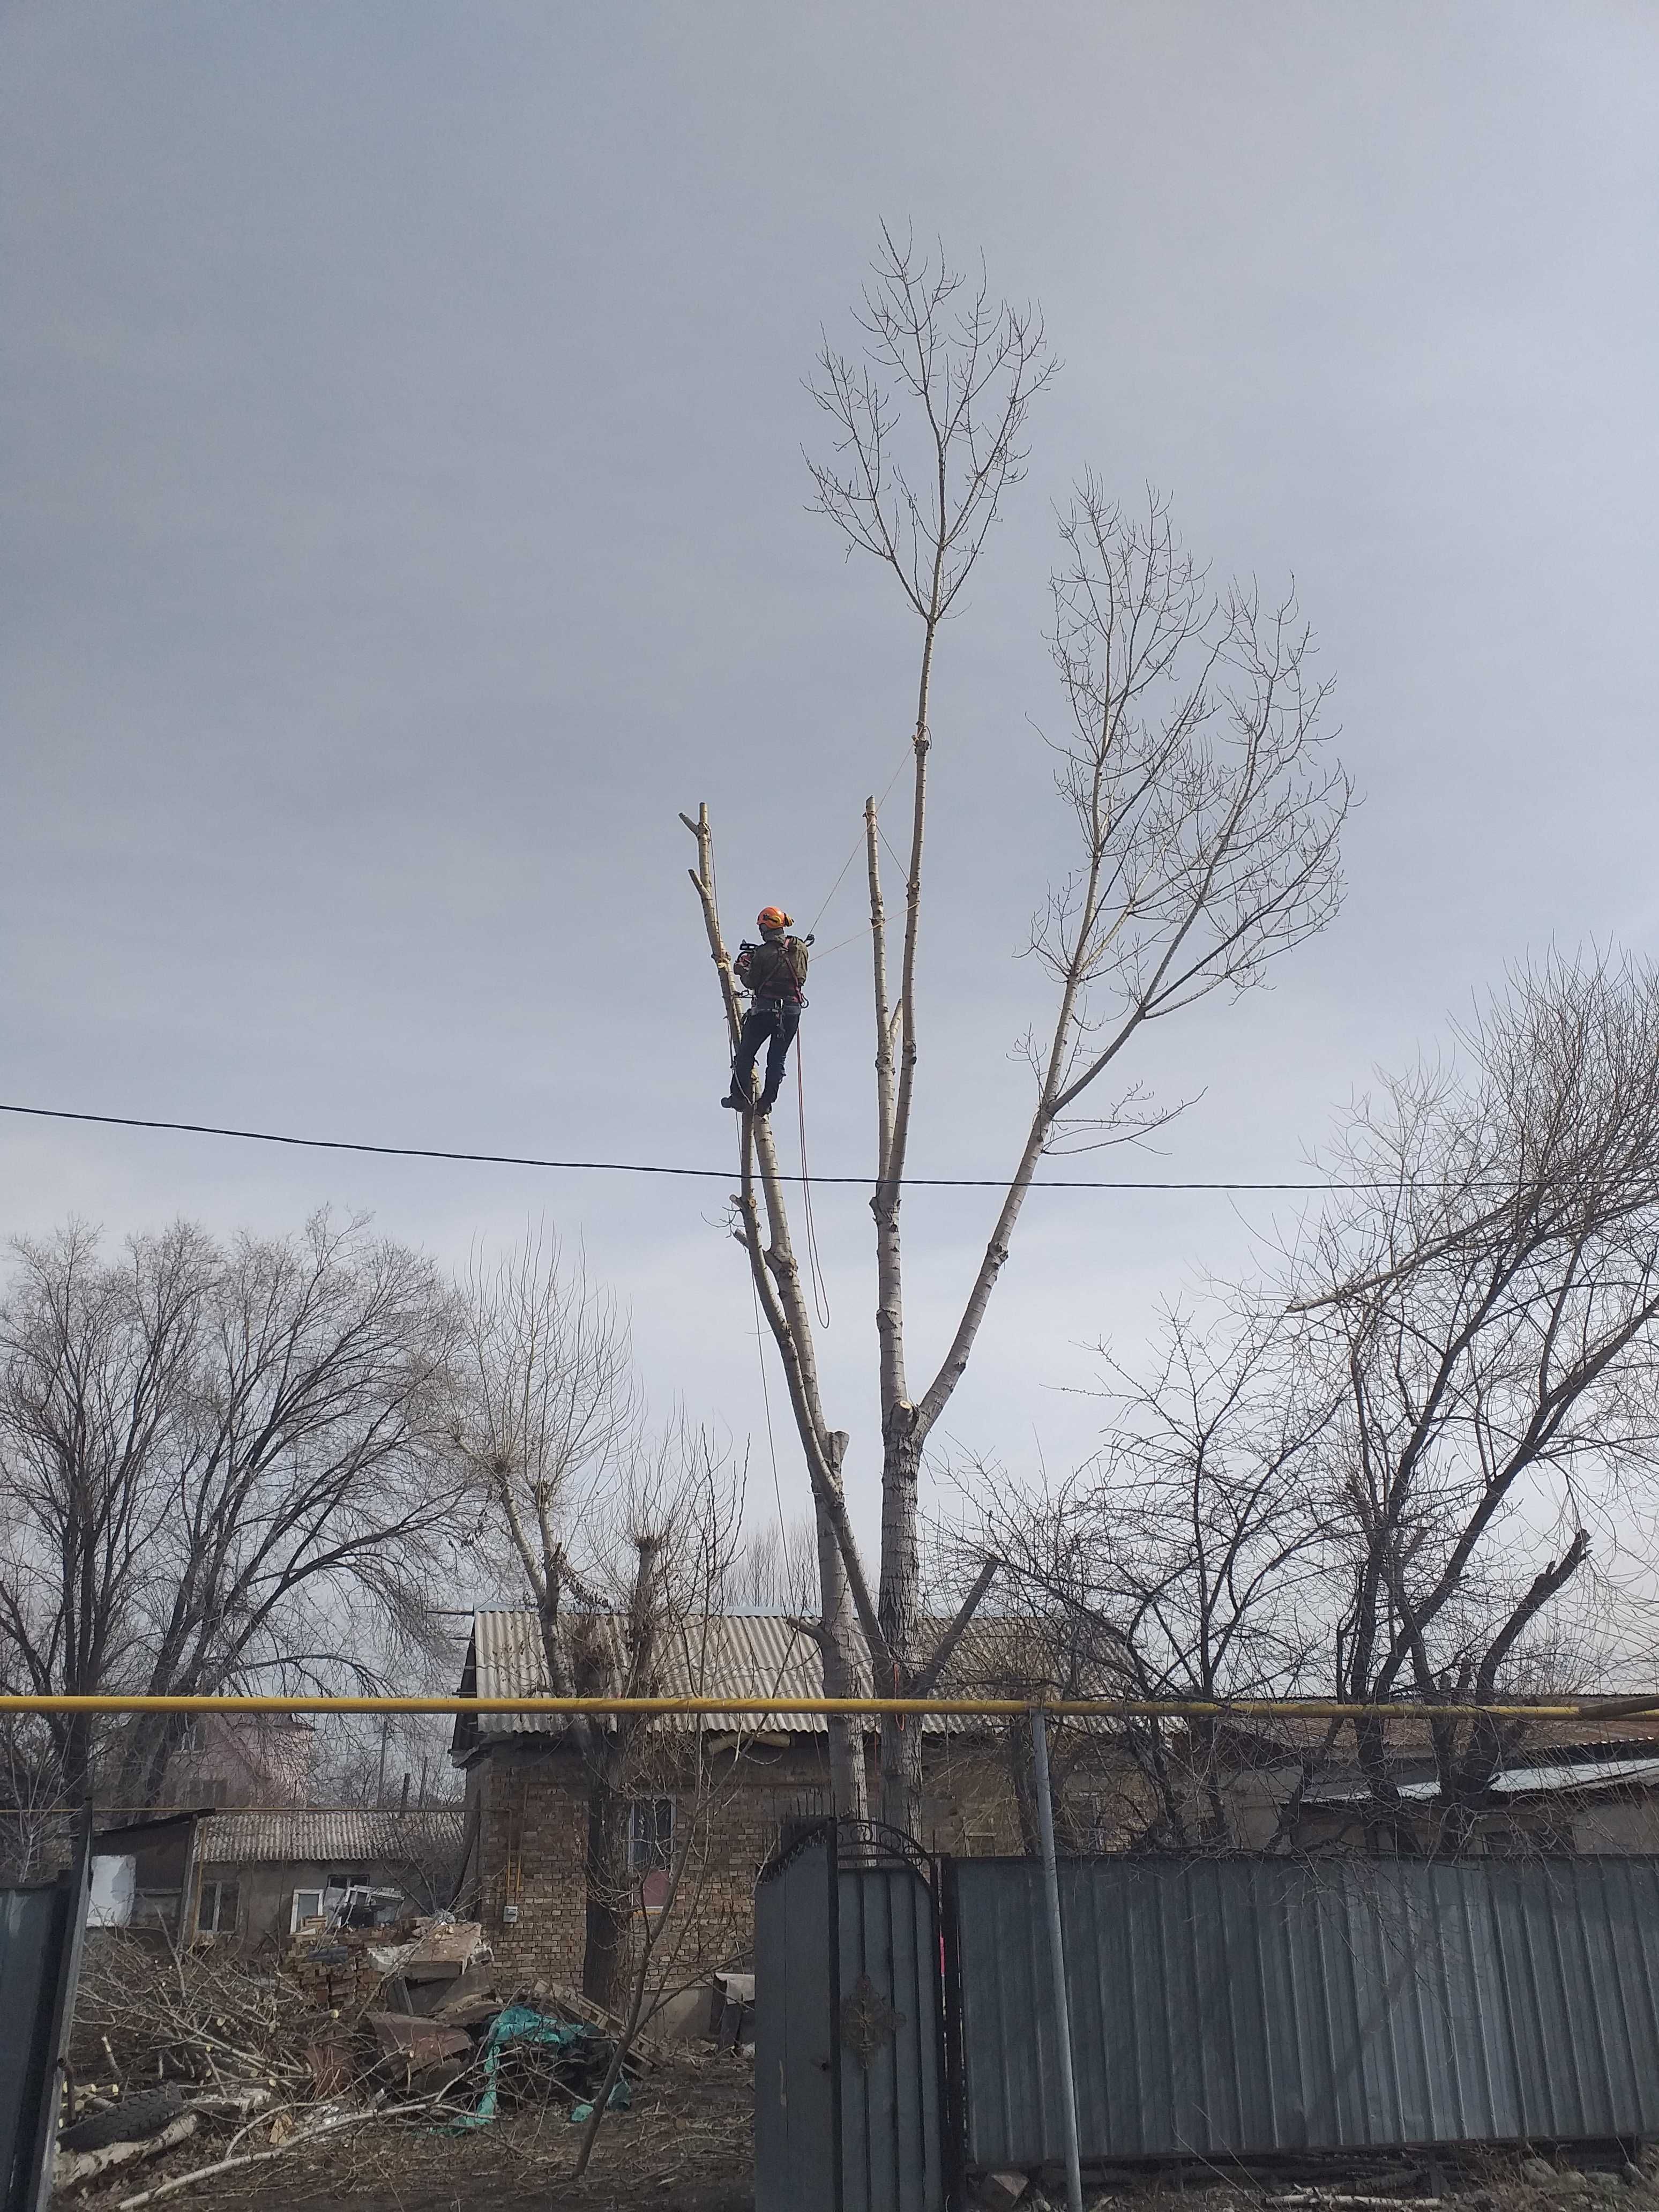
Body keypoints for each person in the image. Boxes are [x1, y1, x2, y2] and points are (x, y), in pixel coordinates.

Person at [723, 906, 809, 1116]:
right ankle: (767, 1102)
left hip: (765, 1012)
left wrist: (743, 969)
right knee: (777, 1059)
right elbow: (802, 978)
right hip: (791, 1011)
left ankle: (739, 1098)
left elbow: (752, 982)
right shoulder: (799, 947)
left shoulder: (762, 953)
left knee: (745, 1054)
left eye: (762, 926)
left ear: (767, 926)